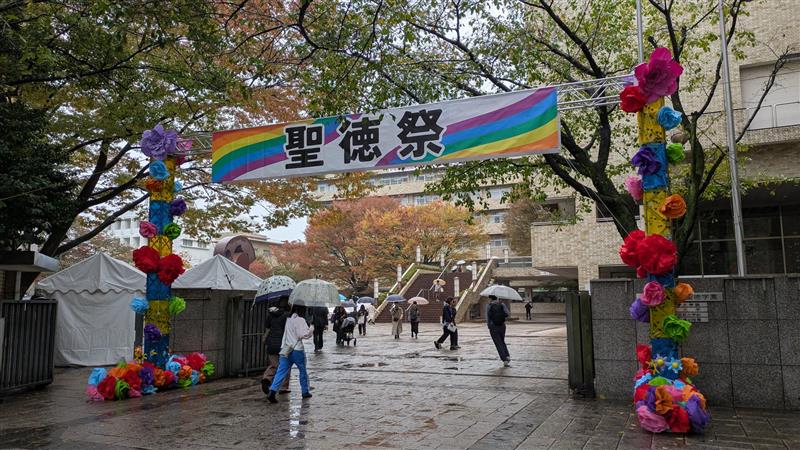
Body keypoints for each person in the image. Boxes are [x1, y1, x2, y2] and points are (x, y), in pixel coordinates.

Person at [267, 304, 313, 403]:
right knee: (302, 370)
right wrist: (311, 329)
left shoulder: (288, 319)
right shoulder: (301, 320)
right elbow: (303, 335)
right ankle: (305, 391)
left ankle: (272, 391)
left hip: (286, 348)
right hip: (297, 350)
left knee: (281, 371)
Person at [261, 301, 291, 395]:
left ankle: (267, 378)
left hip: (271, 344)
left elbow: (267, 331)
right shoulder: (287, 316)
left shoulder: (271, 315)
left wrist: (265, 340)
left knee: (274, 365)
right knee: (286, 365)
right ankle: (283, 387)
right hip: (283, 344)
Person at [486, 295, 511, 367]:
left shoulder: (489, 306)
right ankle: (507, 355)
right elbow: (507, 314)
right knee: (502, 341)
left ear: (490, 298)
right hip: (502, 326)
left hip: (493, 326)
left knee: (498, 343)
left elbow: (487, 317)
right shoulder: (502, 304)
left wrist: (489, 326)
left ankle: (504, 359)